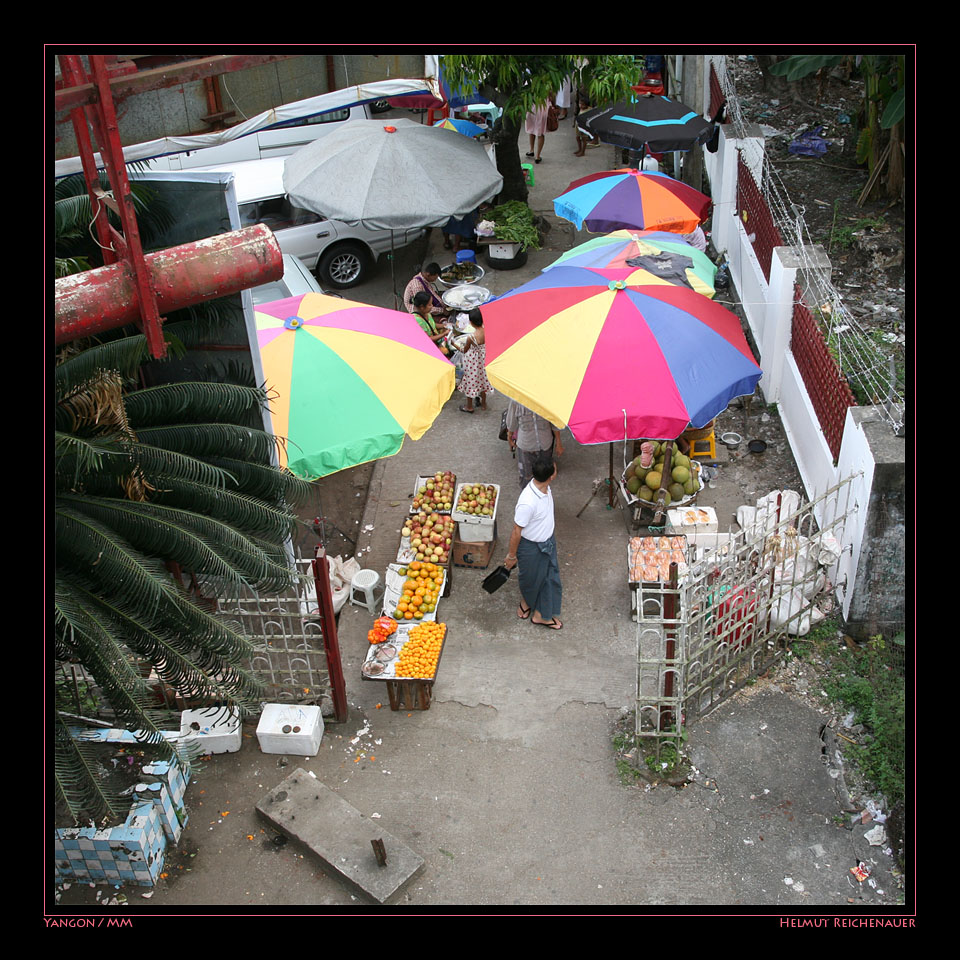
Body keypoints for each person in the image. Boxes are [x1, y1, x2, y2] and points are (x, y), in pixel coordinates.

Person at [503, 457, 562, 630]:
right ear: (551, 476)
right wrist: (511, 556)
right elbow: (516, 531)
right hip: (532, 548)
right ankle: (537, 613)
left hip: (547, 542)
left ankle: (534, 608)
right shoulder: (527, 502)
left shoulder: (544, 487)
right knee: (531, 578)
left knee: (548, 578)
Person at [505, 399, 564, 488]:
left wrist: (558, 443)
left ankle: (543, 498)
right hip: (526, 447)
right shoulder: (516, 400)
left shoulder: (547, 399)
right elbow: (511, 423)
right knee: (526, 478)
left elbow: (555, 424)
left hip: (545, 445)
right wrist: (509, 436)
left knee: (545, 477)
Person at [456, 307, 492, 414]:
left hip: (473, 363)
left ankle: (469, 406)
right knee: (483, 380)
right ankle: (484, 403)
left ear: (471, 323)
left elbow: (464, 350)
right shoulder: (487, 330)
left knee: (470, 381)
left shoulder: (471, 337)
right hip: (483, 359)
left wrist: (453, 344)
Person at [411, 291, 451, 355]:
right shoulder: (418, 321)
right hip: (430, 346)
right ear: (422, 307)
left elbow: (432, 325)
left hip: (436, 336)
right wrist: (444, 334)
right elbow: (428, 339)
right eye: (429, 305)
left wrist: (444, 325)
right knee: (447, 352)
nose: (432, 306)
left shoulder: (426, 312)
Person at [524, 98, 552, 164]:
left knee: (531, 129)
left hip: (532, 107)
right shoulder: (548, 88)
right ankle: (537, 156)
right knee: (540, 133)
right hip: (543, 108)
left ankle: (531, 150)